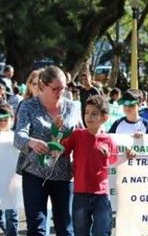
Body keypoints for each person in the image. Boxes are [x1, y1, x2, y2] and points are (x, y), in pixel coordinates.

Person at [14, 65, 81, 235]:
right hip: (34, 175)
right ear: (43, 86)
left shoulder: (72, 108)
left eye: (64, 88)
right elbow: (18, 136)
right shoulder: (28, 106)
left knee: (65, 228)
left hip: (64, 175)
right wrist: (31, 142)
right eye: (55, 88)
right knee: (36, 228)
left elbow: (82, 135)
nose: (61, 92)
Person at [61, 95, 118, 235]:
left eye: (94, 114)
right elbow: (62, 150)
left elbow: (114, 161)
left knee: (102, 232)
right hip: (80, 194)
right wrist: (57, 131)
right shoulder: (77, 135)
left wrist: (109, 155)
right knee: (80, 232)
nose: (89, 117)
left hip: (102, 195)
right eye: (86, 112)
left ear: (104, 118)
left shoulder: (109, 140)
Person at [0, 104, 18, 236]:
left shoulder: (16, 138)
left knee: (11, 214)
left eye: (5, 119)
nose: (2, 122)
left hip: (11, 182)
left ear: (12, 119)